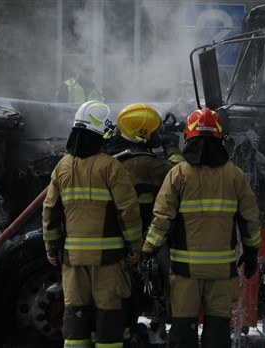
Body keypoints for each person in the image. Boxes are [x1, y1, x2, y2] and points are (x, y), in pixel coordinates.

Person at [142, 108, 261, 347]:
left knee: (183, 326)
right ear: (220, 137)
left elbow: (162, 218)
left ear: (188, 136)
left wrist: (148, 250)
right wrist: (251, 253)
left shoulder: (178, 174)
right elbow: (250, 220)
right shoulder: (235, 175)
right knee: (217, 328)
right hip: (221, 270)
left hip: (185, 271)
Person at [42, 100, 142, 348]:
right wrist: (135, 246)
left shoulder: (62, 167)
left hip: (73, 260)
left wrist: (51, 246)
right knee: (108, 314)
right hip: (108, 259)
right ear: (102, 130)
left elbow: (50, 210)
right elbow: (127, 210)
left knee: (76, 313)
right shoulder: (110, 167)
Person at [104, 103, 184, 345]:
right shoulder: (144, 163)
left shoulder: (116, 153)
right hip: (140, 238)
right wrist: (171, 146)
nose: (158, 135)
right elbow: (180, 176)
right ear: (141, 135)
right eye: (155, 131)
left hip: (118, 237)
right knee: (155, 281)